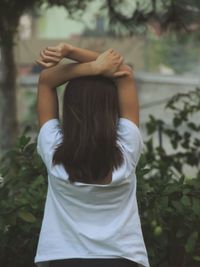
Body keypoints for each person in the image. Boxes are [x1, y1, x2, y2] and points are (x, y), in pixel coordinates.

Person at [34, 43, 150, 267]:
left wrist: (91, 67)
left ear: (69, 107)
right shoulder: (127, 148)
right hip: (122, 258)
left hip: (63, 259)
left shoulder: (53, 149)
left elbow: (46, 80)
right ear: (111, 107)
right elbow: (123, 71)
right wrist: (72, 52)